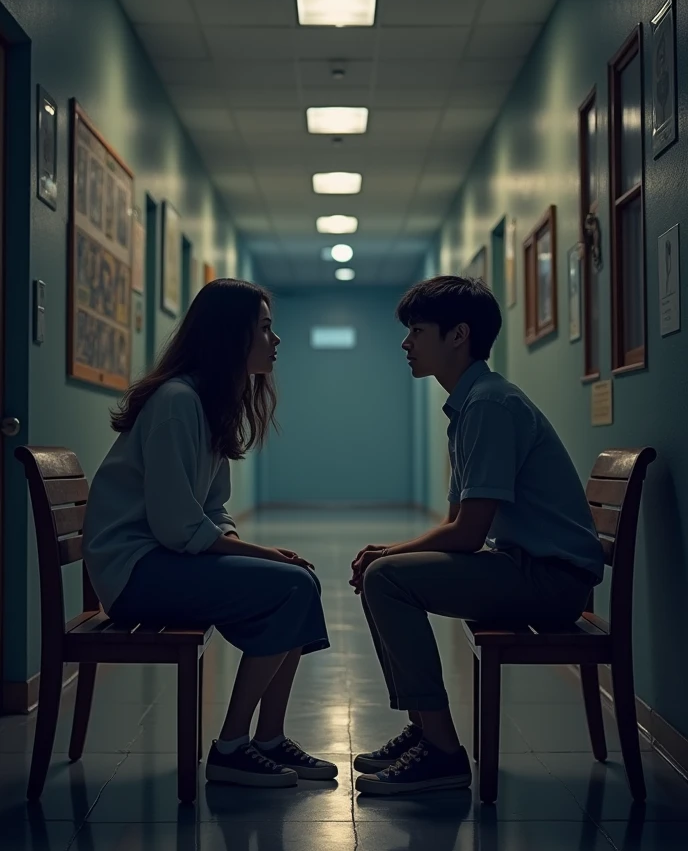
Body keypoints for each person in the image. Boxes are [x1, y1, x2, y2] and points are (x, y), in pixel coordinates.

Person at [350, 276, 604, 797]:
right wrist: (387, 554)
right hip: (526, 567)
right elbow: (456, 524)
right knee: (383, 573)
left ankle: (442, 753)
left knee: (386, 578)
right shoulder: (470, 405)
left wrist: (390, 555)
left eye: (416, 331)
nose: (406, 343)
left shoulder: (489, 405)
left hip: (551, 582)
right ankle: (425, 729)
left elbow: (467, 535)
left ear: (458, 334)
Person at [83, 279, 336, 789]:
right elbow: (176, 524)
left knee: (297, 581)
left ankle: (267, 739)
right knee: (291, 584)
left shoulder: (209, 401)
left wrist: (251, 550)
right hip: (136, 574)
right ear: (230, 336)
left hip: (163, 561)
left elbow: (213, 508)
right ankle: (231, 748)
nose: (276, 340)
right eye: (265, 328)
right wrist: (259, 553)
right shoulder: (177, 401)